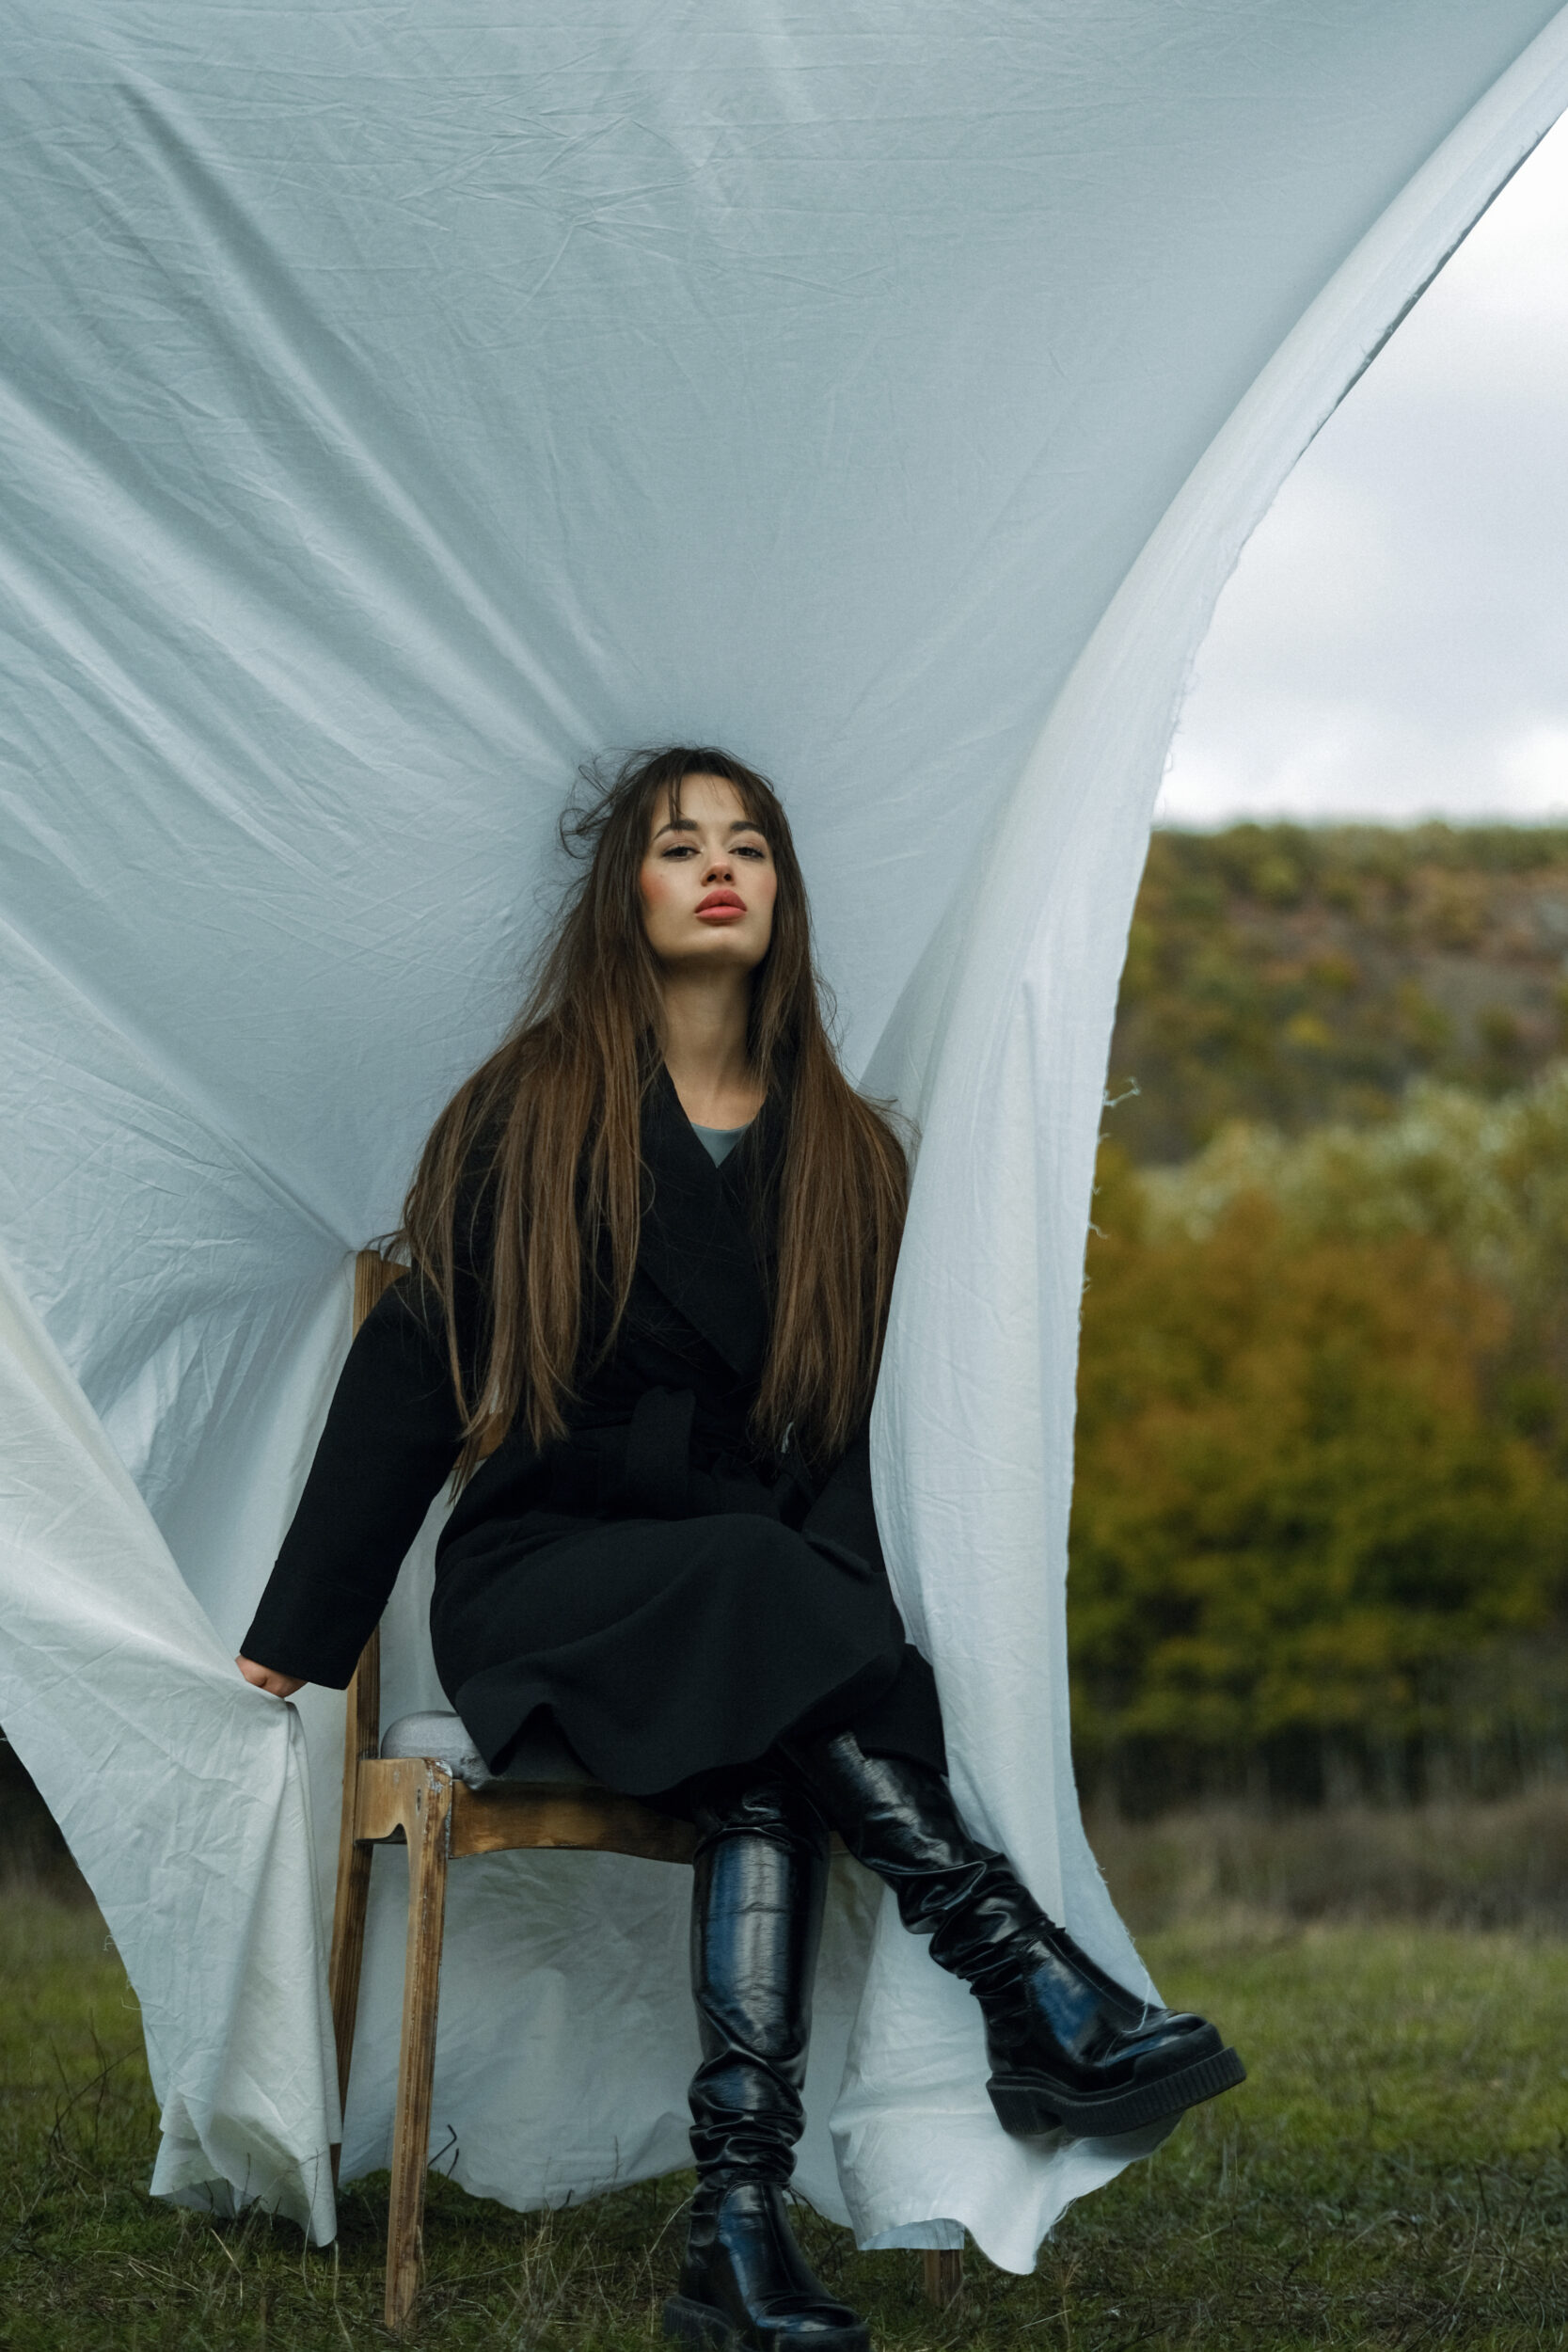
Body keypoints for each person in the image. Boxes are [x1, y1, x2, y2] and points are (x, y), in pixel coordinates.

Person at [237, 746, 1243, 2352]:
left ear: (784, 893)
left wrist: (840, 1602)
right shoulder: (533, 1111)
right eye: (680, 844)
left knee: (765, 1742)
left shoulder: (851, 1153)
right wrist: (294, 1629)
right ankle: (1020, 1976)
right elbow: (420, 1359)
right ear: (622, 894)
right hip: (551, 1577)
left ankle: (739, 2223)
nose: (720, 867)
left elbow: (861, 1442)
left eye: (750, 845)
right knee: (764, 1607)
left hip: (752, 1599)